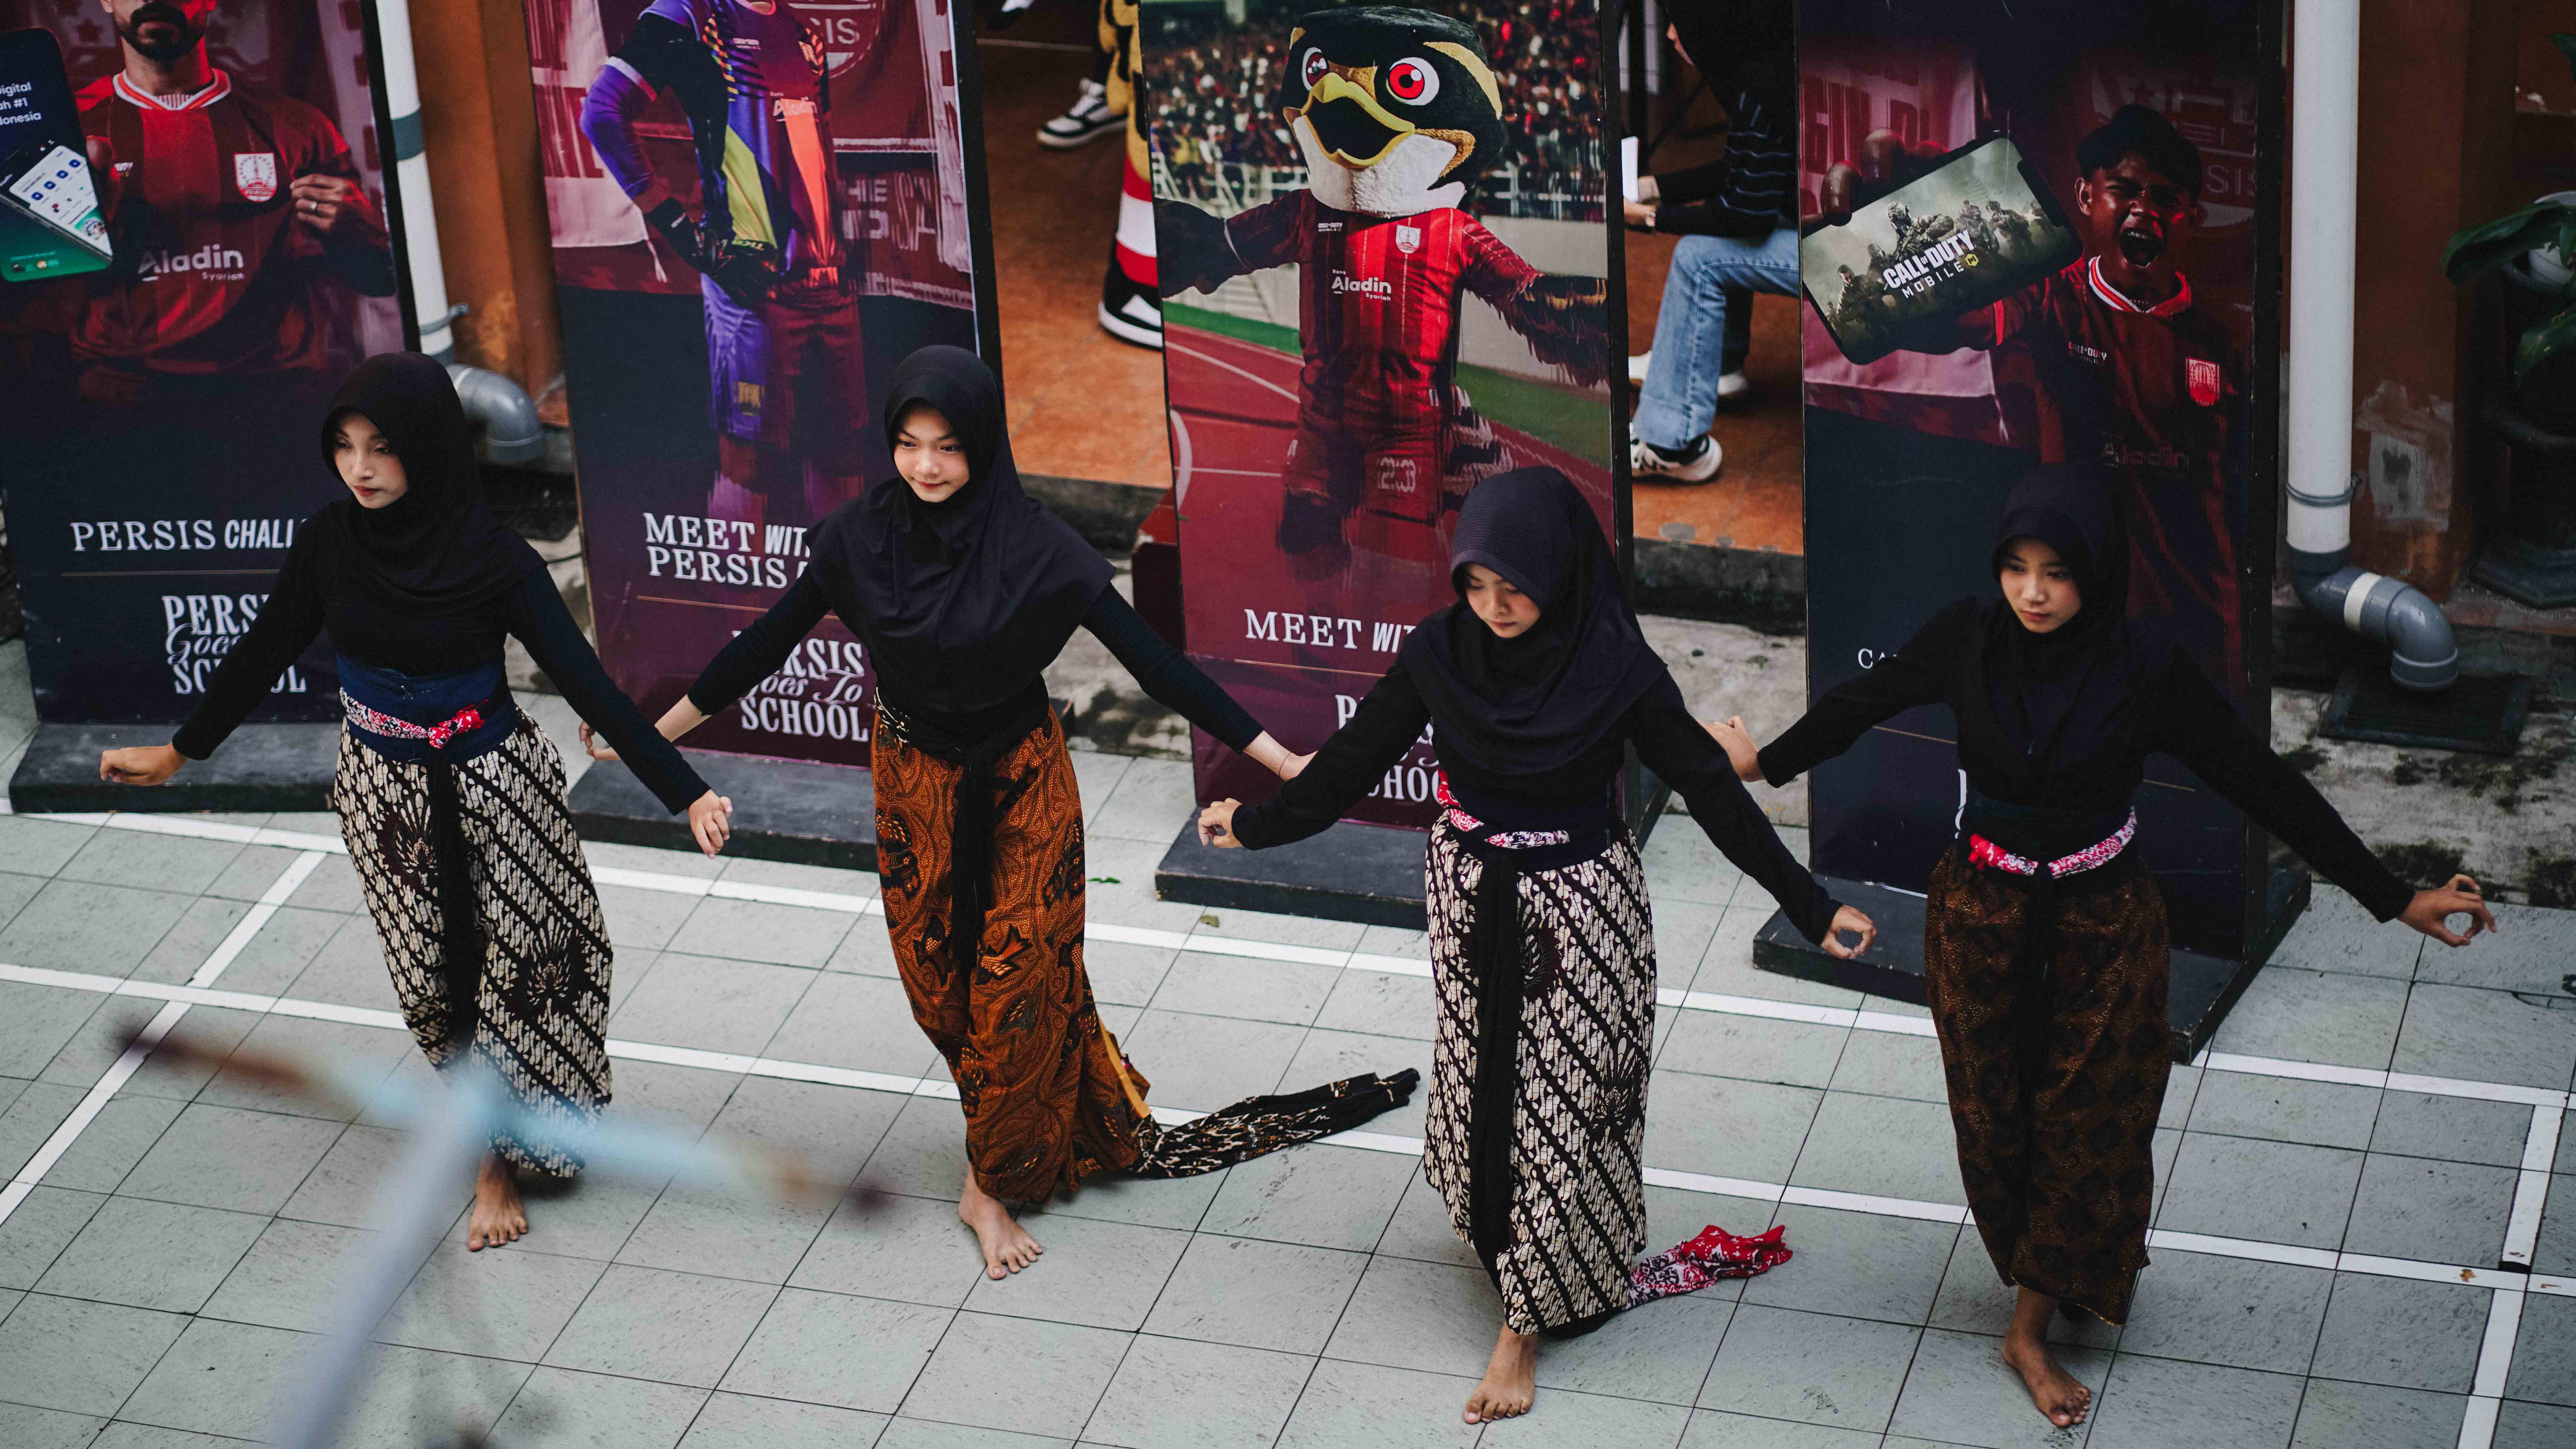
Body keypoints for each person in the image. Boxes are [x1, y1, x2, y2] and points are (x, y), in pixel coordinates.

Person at [586, 346, 1418, 1278]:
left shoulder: (1039, 547)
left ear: (982, 444)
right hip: (913, 782)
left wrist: (1281, 762)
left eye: (948, 446)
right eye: (908, 443)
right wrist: (645, 737)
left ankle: (986, 1183)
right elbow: (761, 649)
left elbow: (1159, 668)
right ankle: (1034, 1117)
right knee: (941, 990)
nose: (926, 465)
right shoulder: (858, 538)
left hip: (1024, 782)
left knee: (1017, 981)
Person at [1704, 466, 2496, 1430]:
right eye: (2015, 568)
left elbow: (2261, 783)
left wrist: (2392, 895)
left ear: (2098, 571)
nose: (2032, 592)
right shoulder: (1967, 637)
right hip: (1980, 919)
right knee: (1994, 1123)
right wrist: (1763, 762)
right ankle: (2061, 1261)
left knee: (2091, 1124)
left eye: (2057, 572)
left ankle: (2027, 1329)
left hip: (2105, 924)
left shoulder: (2142, 667)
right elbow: (1857, 704)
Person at [1197, 468, 1878, 1425]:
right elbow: (1351, 765)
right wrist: (1255, 827)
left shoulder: (1617, 669)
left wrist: (1808, 905)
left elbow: (1710, 789)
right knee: (1482, 1081)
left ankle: (1521, 1326)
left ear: (1559, 571)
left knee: (1568, 1101)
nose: (1494, 605)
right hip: (1469, 897)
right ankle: (1511, 1242)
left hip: (1582, 910)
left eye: (1512, 585)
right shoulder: (1441, 650)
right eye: (1474, 584)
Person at [99, 353, 737, 1252]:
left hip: (498, 786)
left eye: (383, 448)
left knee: (535, 962)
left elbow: (588, 685)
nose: (360, 468)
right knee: (435, 978)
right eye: (345, 446)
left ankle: (513, 1147)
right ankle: (490, 1143)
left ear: (429, 447)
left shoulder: (498, 561)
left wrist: (686, 791)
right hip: (385, 795)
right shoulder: (328, 543)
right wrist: (179, 752)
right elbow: (262, 650)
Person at [1829, 105, 2250, 686]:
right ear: (2084, 197)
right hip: (2080, 626)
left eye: (2164, 198)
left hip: (2199, 631)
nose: (2142, 210)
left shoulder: (2227, 337)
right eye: (2123, 190)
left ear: (2191, 218)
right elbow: (1961, 323)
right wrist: (1905, 253)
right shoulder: (2051, 293)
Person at [579, 0, 869, 532]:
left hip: (830, 283)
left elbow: (812, 152)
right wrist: (687, 237)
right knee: (749, 465)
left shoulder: (802, 32)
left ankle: (839, 582)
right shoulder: (690, 15)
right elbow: (602, 113)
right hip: (755, 287)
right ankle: (740, 586)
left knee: (841, 455)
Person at [70, 0, 396, 468]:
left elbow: (377, 278)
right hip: (123, 397)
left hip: (269, 396)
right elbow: (25, 288)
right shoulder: (72, 129)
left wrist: (357, 230)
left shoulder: (296, 126)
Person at [1624, 1, 1795, 483]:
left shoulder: (1758, 88)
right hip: (1839, 227)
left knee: (1698, 258)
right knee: (1715, 240)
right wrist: (1656, 187)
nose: (1671, 35)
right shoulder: (1769, 67)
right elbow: (1750, 171)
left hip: (1848, 253)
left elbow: (1744, 216)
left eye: (1681, 22)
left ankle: (1670, 444)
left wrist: (1651, 218)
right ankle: (1716, 367)